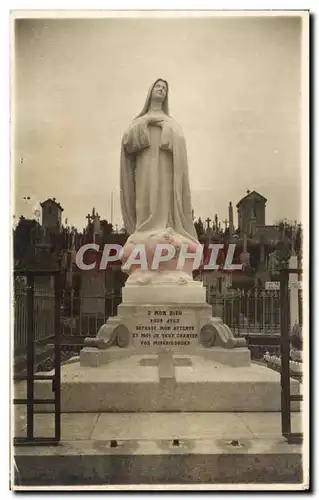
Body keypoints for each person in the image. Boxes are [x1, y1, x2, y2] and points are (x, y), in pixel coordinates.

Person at [120, 78, 198, 244]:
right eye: (158, 86)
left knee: (163, 195)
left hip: (165, 169)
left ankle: (165, 226)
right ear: (151, 91)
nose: (161, 89)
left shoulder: (171, 123)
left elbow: (180, 142)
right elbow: (128, 143)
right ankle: (145, 228)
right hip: (145, 167)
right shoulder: (139, 121)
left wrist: (166, 129)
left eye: (164, 88)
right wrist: (147, 122)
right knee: (146, 195)